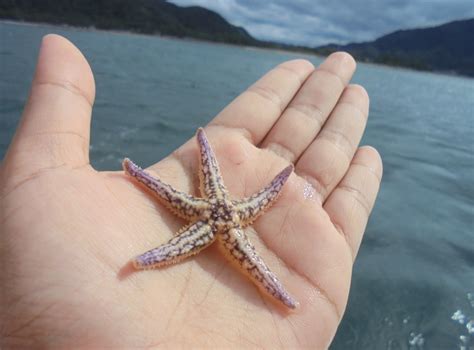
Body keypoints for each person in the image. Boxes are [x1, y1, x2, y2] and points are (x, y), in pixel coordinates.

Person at [0, 34, 382, 348]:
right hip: (219, 221)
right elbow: (199, 195)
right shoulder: (226, 215)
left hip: (218, 221)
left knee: (247, 261)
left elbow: (257, 196)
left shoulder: (223, 214)